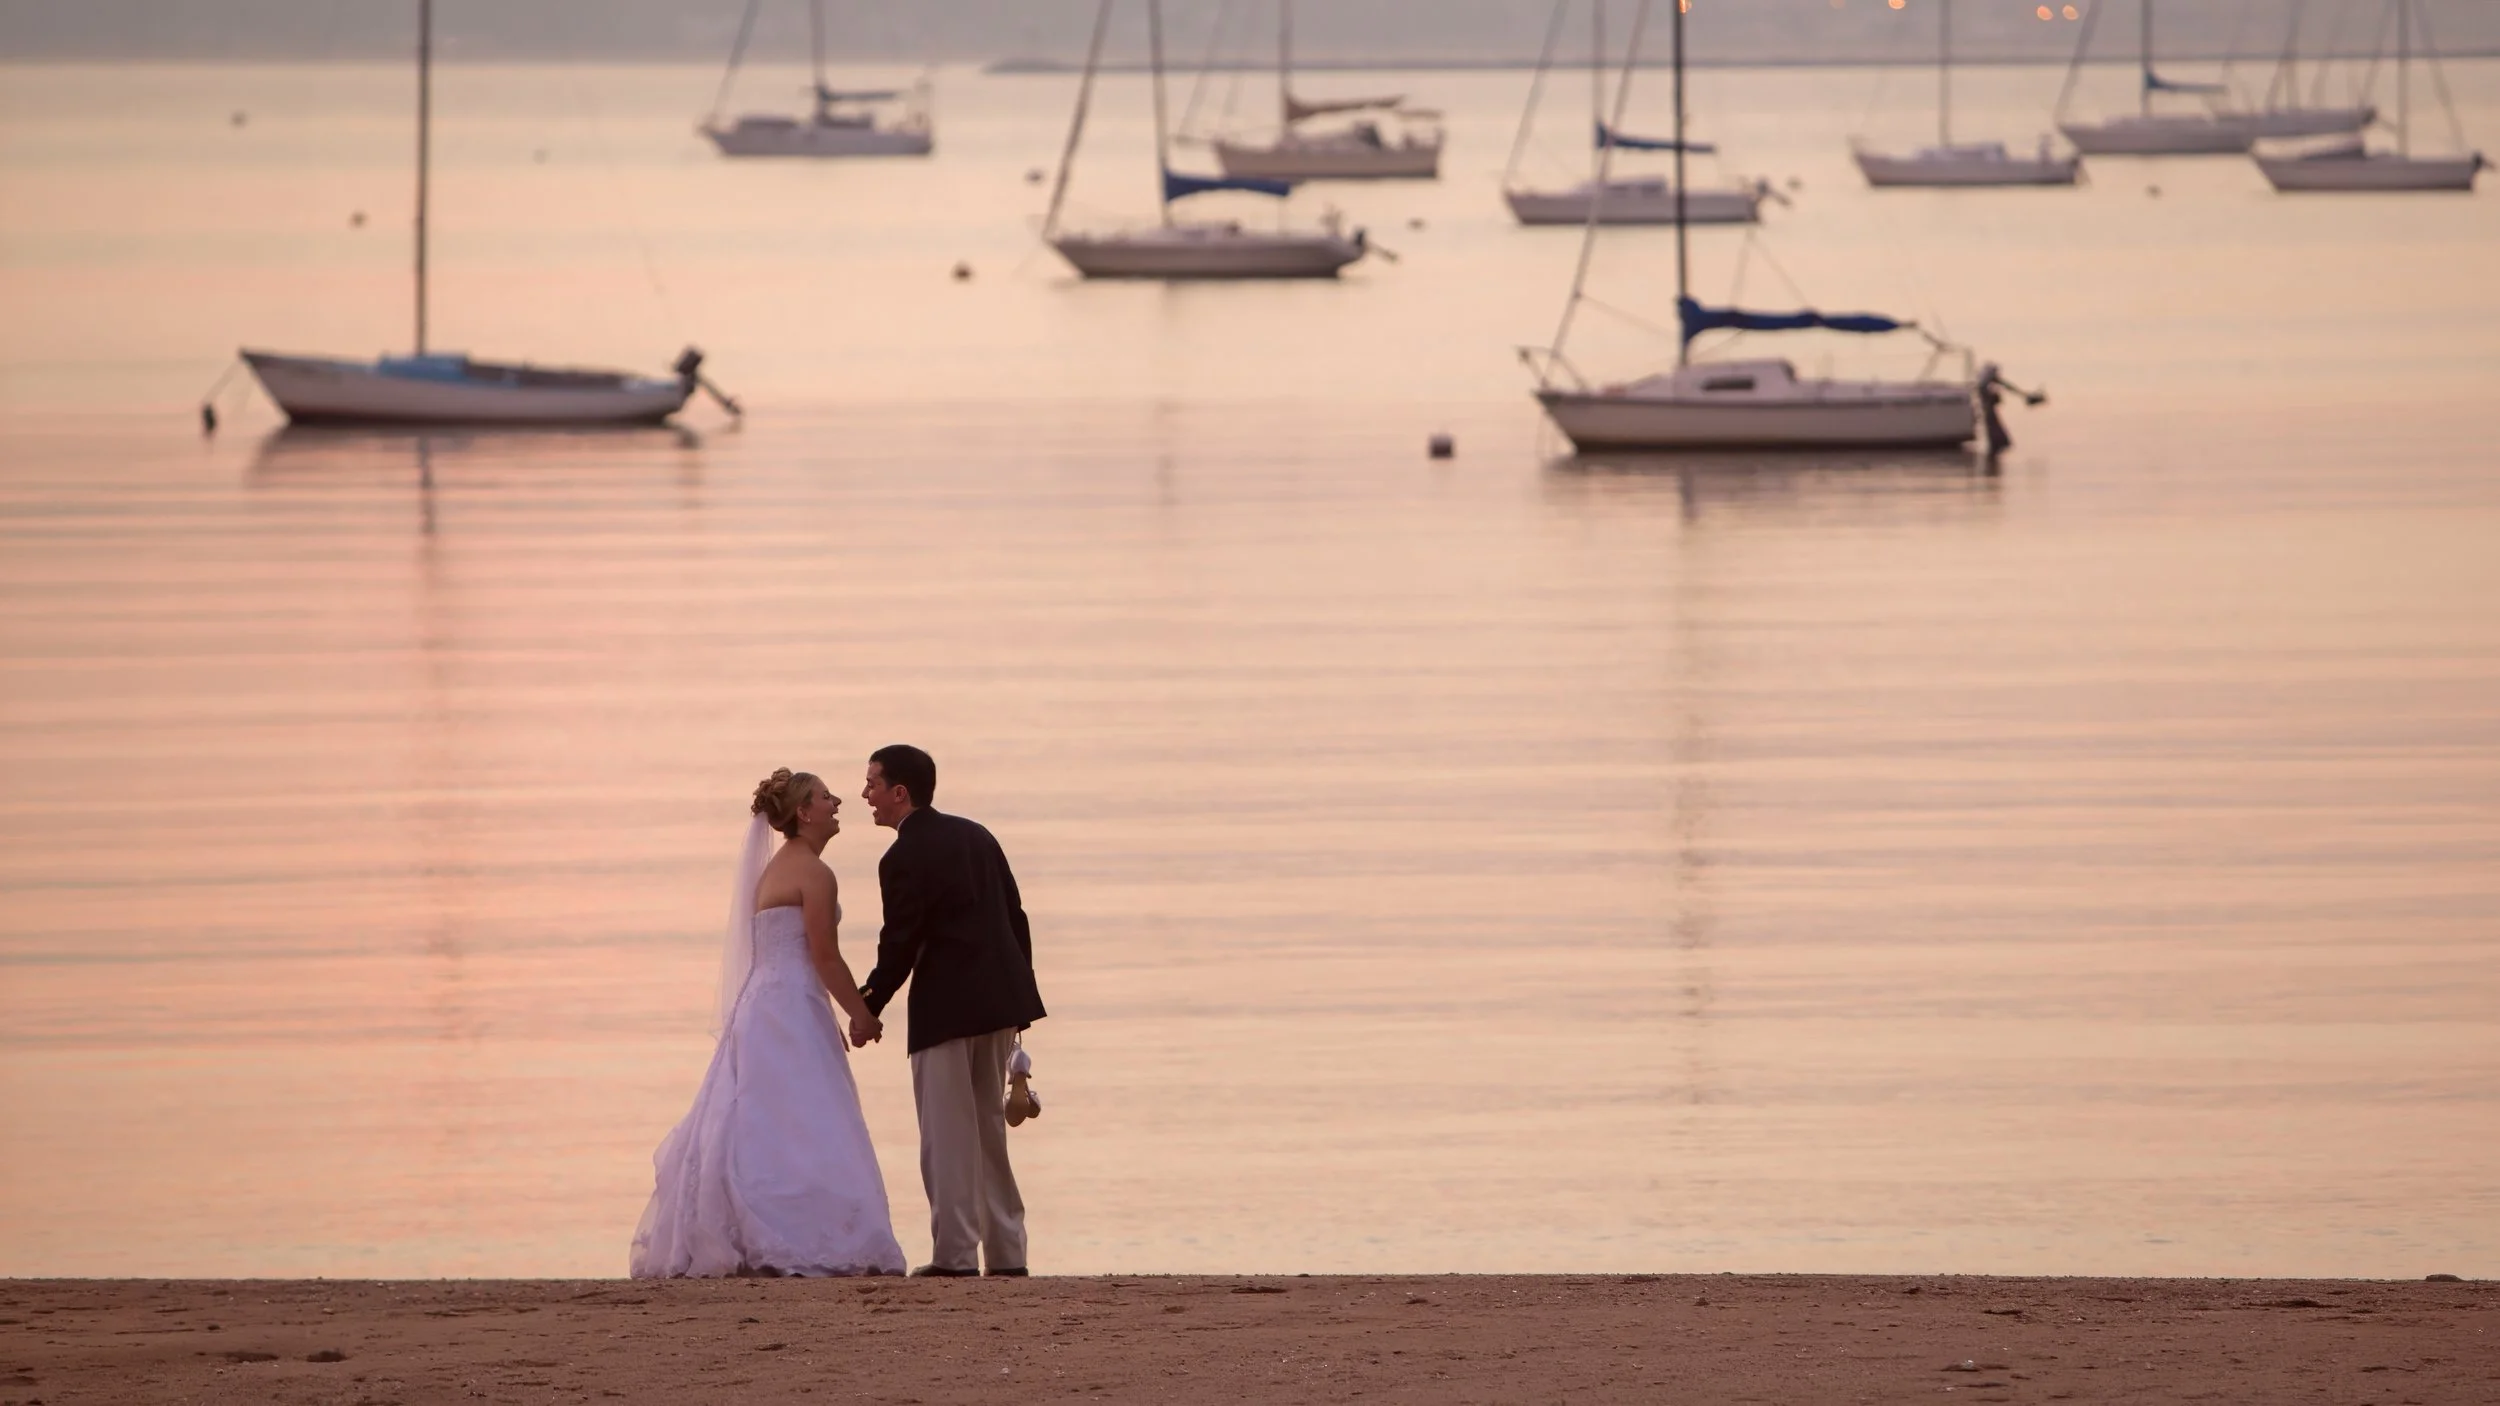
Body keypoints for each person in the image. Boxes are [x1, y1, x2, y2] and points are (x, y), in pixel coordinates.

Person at [629, 769, 907, 1278]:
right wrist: (862, 1014)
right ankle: (807, 1234)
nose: (837, 801)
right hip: (793, 1005)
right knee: (809, 1117)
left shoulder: (774, 871)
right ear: (803, 812)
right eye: (826, 797)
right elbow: (825, 957)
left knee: (764, 1118)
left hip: (761, 1006)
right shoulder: (815, 874)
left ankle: (754, 1227)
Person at [858, 745, 1047, 1278]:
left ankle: (956, 1256)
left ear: (901, 792)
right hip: (998, 1002)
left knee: (946, 1137)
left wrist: (869, 1003)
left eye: (872, 783)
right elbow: (1016, 916)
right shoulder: (976, 835)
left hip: (945, 1007)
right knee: (989, 1131)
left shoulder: (901, 857)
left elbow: (900, 942)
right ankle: (1008, 1256)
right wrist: (1020, 1000)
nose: (865, 794)